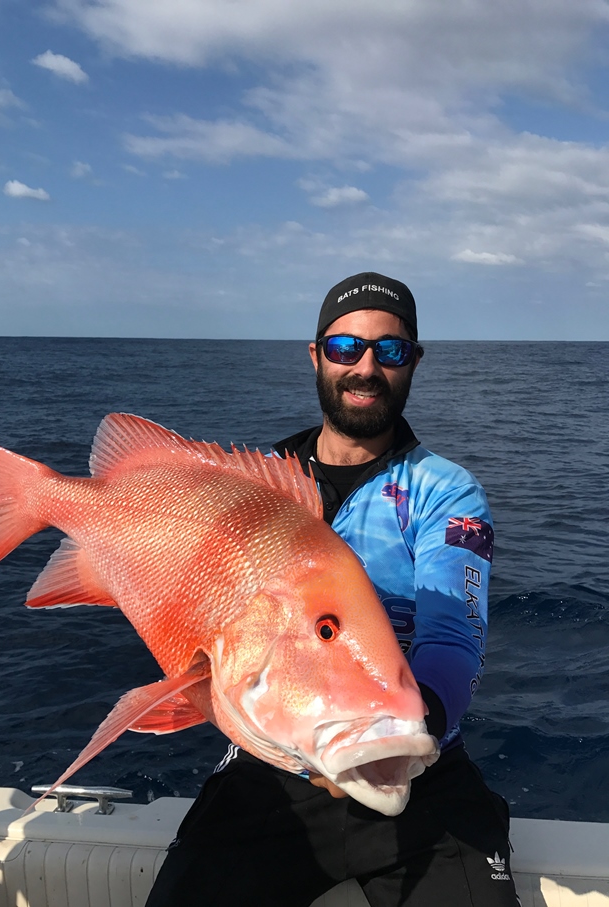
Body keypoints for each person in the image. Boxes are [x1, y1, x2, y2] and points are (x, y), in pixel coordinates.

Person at [146, 272, 520, 907]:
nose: (367, 366)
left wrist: (399, 737)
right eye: (347, 347)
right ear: (316, 354)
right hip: (272, 771)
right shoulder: (254, 494)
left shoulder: (446, 493)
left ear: (414, 363)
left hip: (413, 764)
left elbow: (454, 631)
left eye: (390, 350)